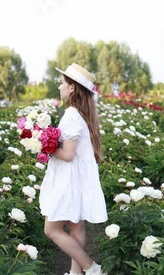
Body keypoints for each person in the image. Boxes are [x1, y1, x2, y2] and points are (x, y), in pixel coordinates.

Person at [39, 63, 107, 275]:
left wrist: (41, 146)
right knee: (75, 227)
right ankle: (76, 273)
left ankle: (91, 268)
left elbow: (67, 154)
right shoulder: (83, 113)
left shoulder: (71, 115)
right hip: (77, 179)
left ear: (73, 88)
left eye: (62, 83)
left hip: (67, 181)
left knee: (51, 230)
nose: (59, 87)